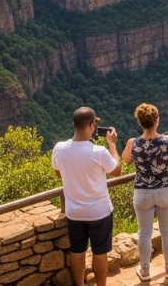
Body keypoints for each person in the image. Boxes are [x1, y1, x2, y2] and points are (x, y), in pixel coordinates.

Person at [52, 107, 122, 286]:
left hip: (74, 212)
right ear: (92, 125)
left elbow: (59, 173)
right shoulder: (99, 152)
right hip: (99, 212)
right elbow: (117, 171)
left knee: (77, 251)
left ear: (73, 124)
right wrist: (112, 144)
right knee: (99, 252)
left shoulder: (59, 149)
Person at [122, 104, 168, 280]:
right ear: (157, 121)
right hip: (165, 190)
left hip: (142, 192)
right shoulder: (167, 141)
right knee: (167, 230)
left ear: (140, 122)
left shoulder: (132, 143)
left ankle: (145, 270)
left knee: (144, 232)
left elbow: (125, 159)